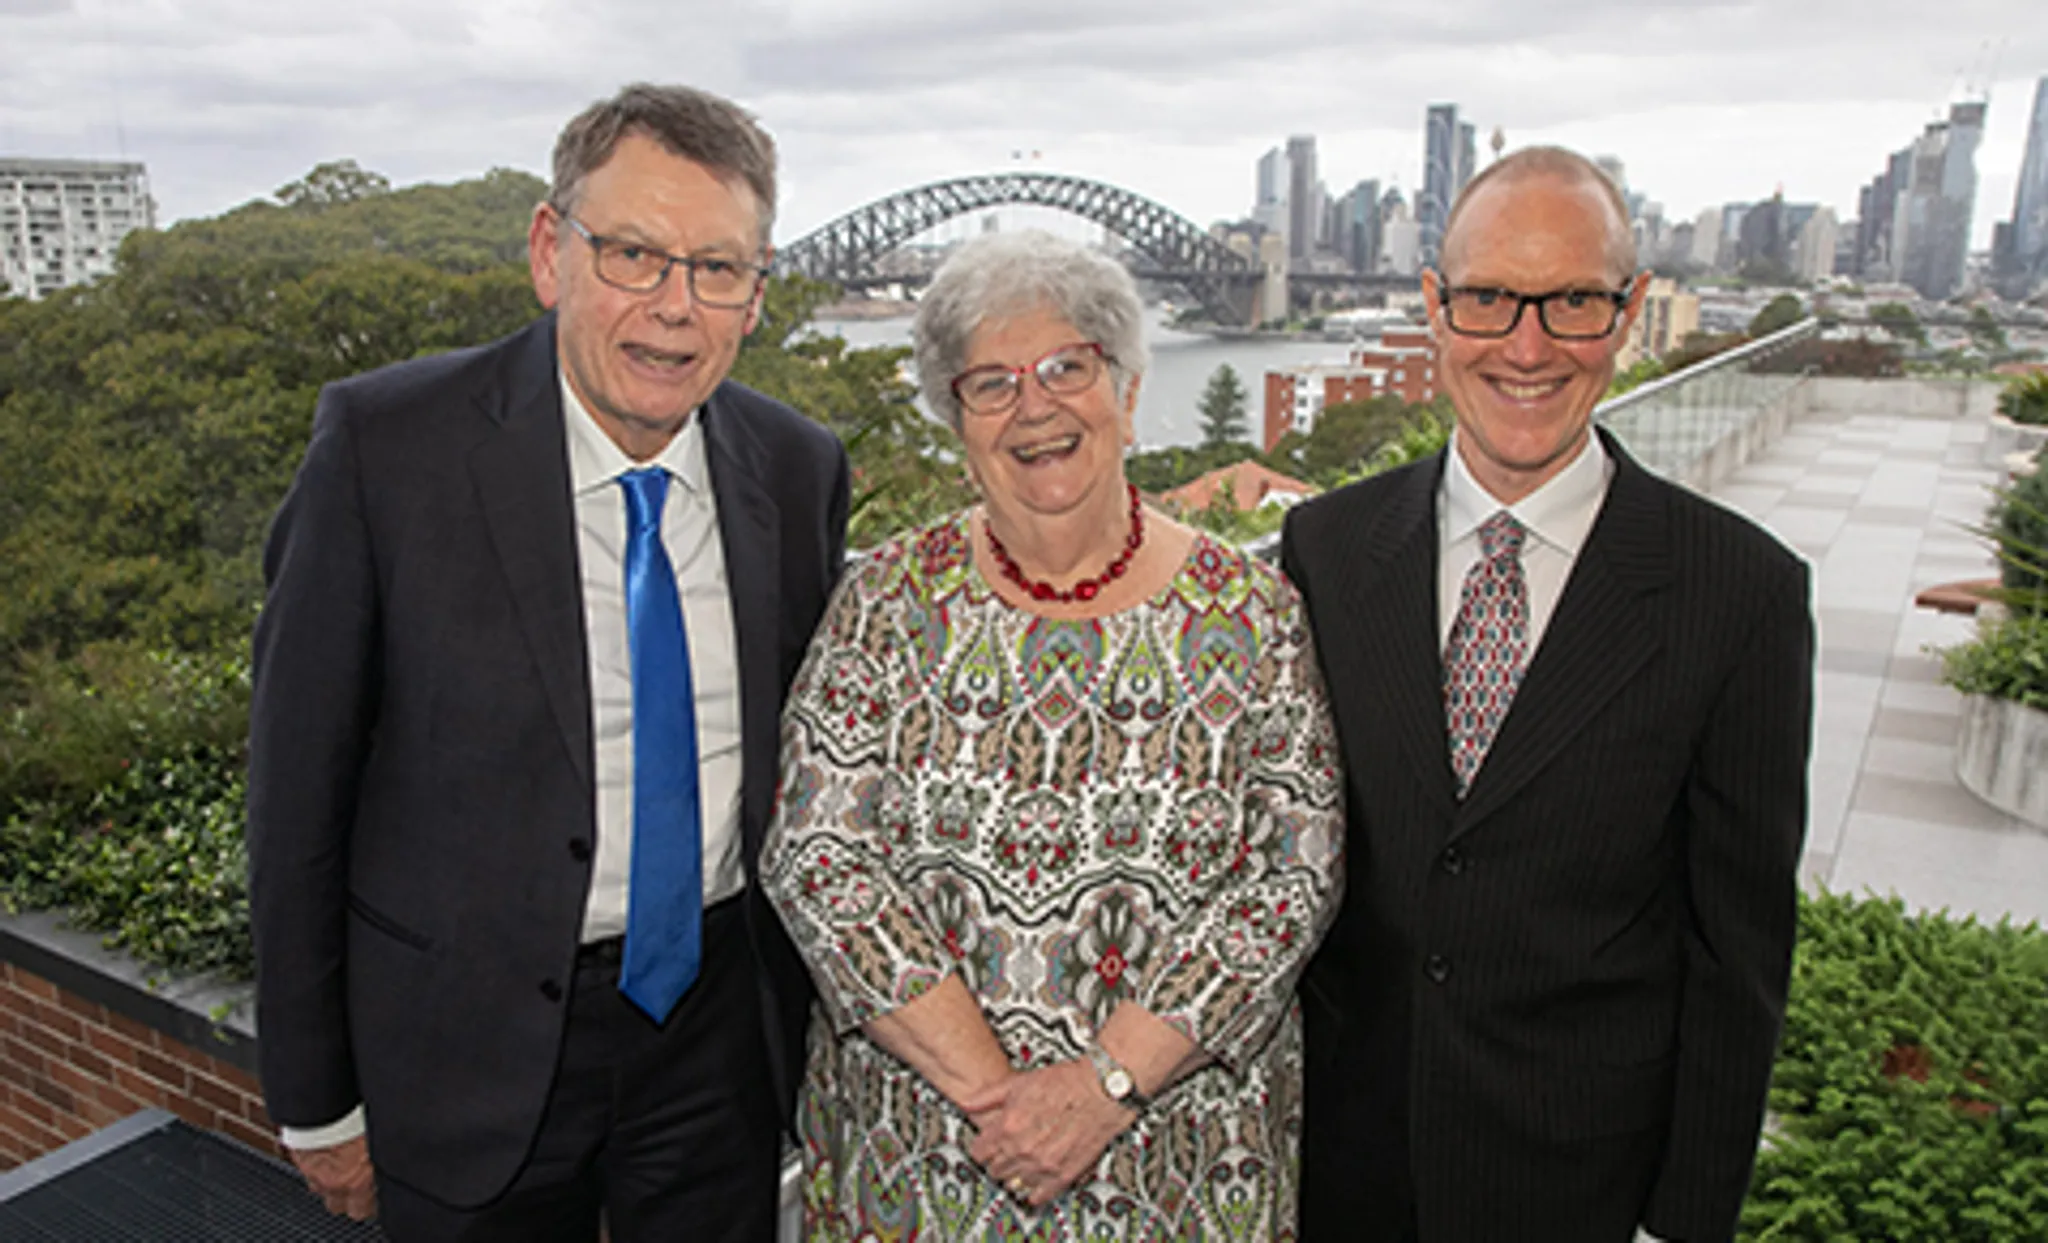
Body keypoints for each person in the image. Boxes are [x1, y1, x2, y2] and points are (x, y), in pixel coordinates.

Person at [246, 83, 850, 1242]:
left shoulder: (796, 466)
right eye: (633, 254)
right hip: (463, 1052)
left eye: (716, 269)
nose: (674, 307)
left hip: (719, 1045)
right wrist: (317, 1098)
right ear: (548, 252)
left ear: (755, 293)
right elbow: (296, 796)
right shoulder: (386, 451)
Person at [759, 230, 1344, 1240]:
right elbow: (817, 855)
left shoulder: (1251, 614)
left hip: (1179, 1172)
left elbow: (1294, 872)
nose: (1034, 406)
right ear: (955, 418)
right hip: (927, 1167)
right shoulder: (885, 604)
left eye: (1067, 367)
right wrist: (1008, 1103)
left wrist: (1104, 1085)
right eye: (989, 383)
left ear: (1126, 388)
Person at [1282, 146, 1814, 1243]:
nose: (1526, 347)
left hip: (1581, 1191)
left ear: (1627, 312)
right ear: (1435, 306)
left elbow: (1739, 955)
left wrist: (1681, 1224)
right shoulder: (1323, 551)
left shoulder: (1739, 594)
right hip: (1342, 1175)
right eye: (1488, 298)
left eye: (1571, 302)